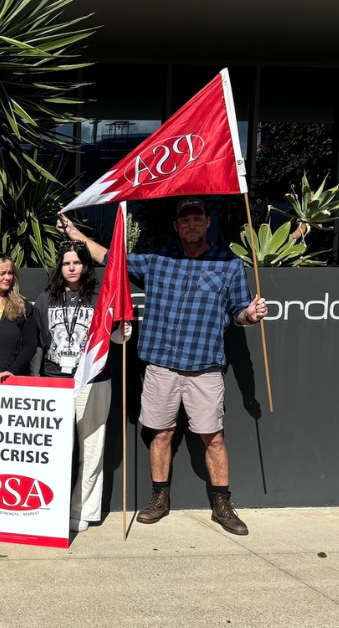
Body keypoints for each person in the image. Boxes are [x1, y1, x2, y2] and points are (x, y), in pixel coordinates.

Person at [57, 196, 268, 536]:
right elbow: (111, 259)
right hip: (161, 366)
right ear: (176, 226)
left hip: (205, 368)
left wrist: (251, 316)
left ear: (207, 223)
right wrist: (74, 233)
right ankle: (159, 499)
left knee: (213, 438)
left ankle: (222, 504)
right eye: (185, 220)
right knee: (161, 433)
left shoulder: (229, 264)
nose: (191, 225)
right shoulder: (157, 259)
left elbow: (240, 312)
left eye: (197, 219)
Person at [31, 241, 131, 532]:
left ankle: (82, 509)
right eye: (66, 263)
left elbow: (114, 339)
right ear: (60, 267)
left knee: (91, 448)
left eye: (77, 263)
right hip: (55, 381)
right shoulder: (45, 299)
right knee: (54, 450)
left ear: (86, 266)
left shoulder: (102, 297)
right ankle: (49, 506)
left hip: (93, 381)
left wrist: (123, 332)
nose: (71, 268)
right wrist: (37, 381)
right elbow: (38, 343)